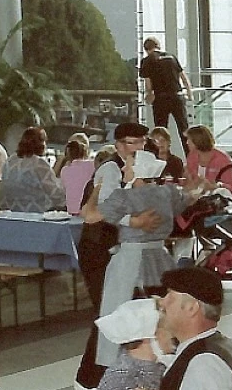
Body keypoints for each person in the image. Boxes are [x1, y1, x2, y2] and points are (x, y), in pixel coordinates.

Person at [81, 151, 193, 371]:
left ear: (139, 170)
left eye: (129, 165)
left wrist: (96, 190)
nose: (124, 169)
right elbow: (187, 199)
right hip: (160, 258)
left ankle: (111, 365)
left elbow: (90, 215)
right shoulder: (167, 193)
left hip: (130, 261)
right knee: (161, 313)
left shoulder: (125, 197)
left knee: (115, 312)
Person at [74, 122, 158, 390]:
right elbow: (102, 210)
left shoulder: (140, 168)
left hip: (117, 249)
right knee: (108, 312)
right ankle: (89, 378)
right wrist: (133, 220)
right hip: (98, 248)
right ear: (120, 145)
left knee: (120, 310)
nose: (139, 147)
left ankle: (111, 375)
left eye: (142, 142)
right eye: (133, 142)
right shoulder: (110, 169)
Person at [0, 126, 65, 213]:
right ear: (40, 144)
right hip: (36, 214)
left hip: (9, 212)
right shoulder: (39, 164)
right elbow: (56, 195)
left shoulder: (10, 161)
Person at [140, 38, 193, 149]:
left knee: (160, 130)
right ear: (158, 46)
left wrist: (149, 95)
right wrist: (189, 93)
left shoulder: (147, 61)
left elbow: (148, 83)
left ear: (146, 49)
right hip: (177, 96)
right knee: (184, 128)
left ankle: (162, 156)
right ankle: (190, 156)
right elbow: (183, 77)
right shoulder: (171, 57)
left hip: (161, 98)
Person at [184, 125, 232, 195]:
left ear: (198, 141)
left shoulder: (223, 159)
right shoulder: (192, 156)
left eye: (189, 140)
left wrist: (215, 186)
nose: (187, 142)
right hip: (195, 194)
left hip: (216, 197)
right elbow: (190, 179)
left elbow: (231, 187)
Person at [56, 140, 95, 215]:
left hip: (71, 210)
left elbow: (63, 190)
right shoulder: (92, 165)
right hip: (87, 210)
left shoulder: (65, 170)